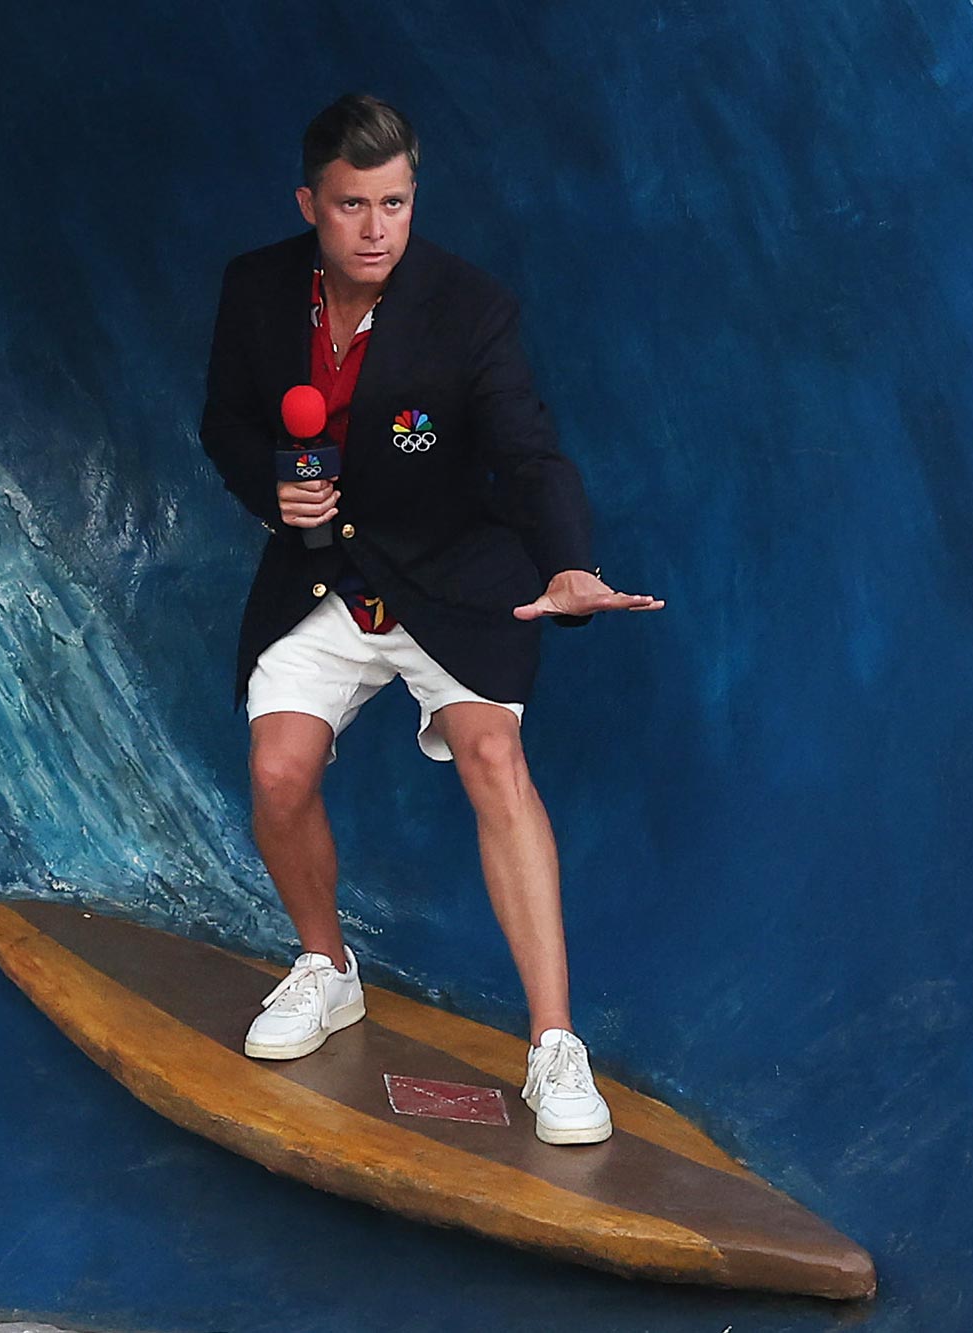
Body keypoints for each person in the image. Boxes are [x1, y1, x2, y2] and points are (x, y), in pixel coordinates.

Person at [199, 94, 663, 1146]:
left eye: (395, 204)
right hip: (325, 571)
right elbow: (223, 421)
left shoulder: (470, 309)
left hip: (458, 571)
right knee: (277, 772)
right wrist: (273, 493)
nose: (376, 230)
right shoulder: (257, 290)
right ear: (310, 203)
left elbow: (530, 452)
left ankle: (553, 1047)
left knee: (493, 755)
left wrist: (571, 565)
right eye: (354, 204)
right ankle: (327, 967)